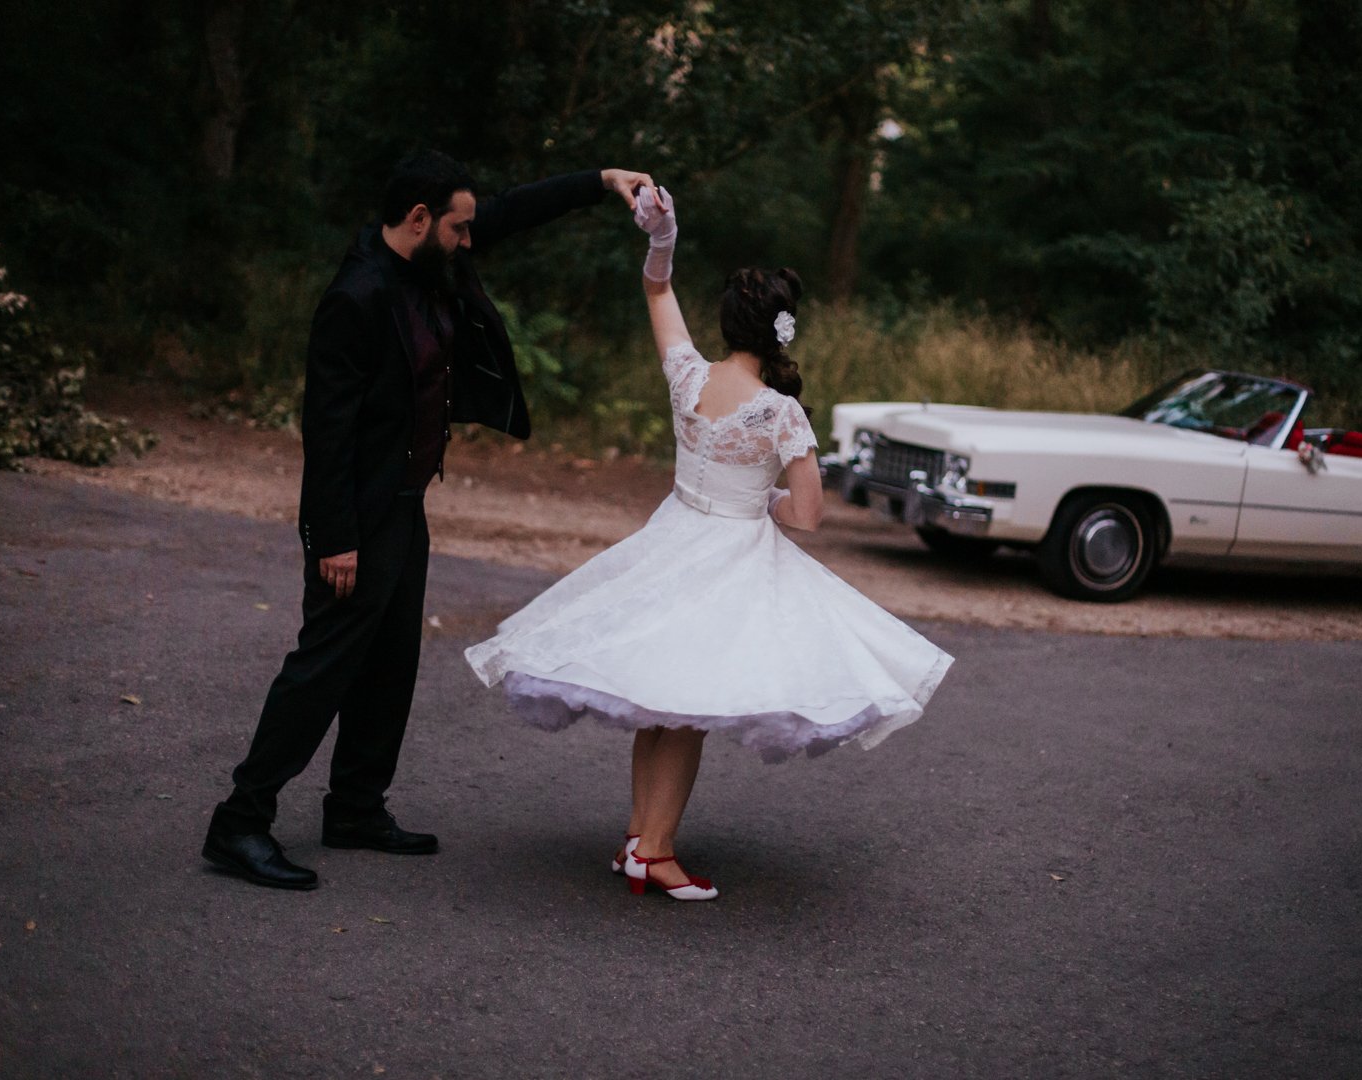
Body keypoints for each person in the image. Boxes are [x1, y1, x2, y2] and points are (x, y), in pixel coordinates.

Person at [464, 186, 953, 901]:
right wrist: (765, 498)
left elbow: (656, 286)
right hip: (730, 556)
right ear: (782, 332)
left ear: (728, 324)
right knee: (687, 709)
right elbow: (809, 516)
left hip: (671, 539)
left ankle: (639, 841)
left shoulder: (687, 373)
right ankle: (656, 853)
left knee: (661, 701)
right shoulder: (781, 414)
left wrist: (663, 236)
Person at [202, 150, 659, 890]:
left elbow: (507, 210)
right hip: (359, 518)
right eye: (458, 227)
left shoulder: (439, 260)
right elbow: (328, 432)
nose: (471, 239)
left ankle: (354, 808)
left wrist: (602, 182)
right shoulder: (357, 297)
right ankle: (240, 821)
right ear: (419, 220)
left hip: (406, 506)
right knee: (322, 668)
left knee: (389, 665)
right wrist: (336, 539)